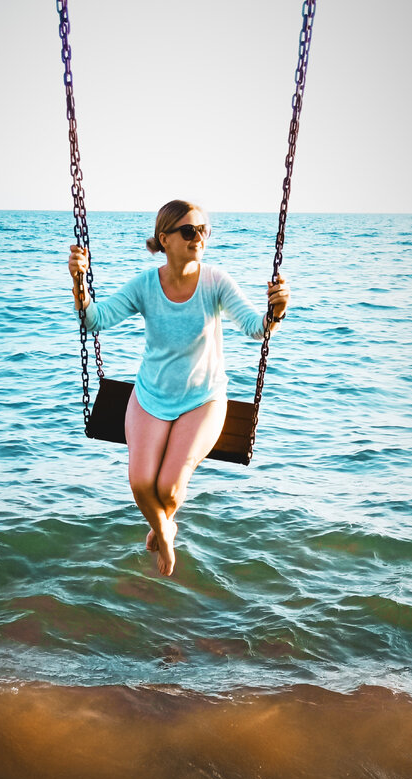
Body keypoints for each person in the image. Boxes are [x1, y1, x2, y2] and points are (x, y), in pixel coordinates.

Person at [68, 200, 289, 577]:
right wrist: (78, 281)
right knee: (141, 482)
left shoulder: (215, 282)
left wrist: (276, 312)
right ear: (165, 239)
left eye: (203, 230)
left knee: (169, 489)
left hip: (203, 400)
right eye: (188, 231)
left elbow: (256, 328)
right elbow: (94, 320)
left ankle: (161, 525)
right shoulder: (145, 285)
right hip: (151, 396)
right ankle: (164, 529)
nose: (198, 238)